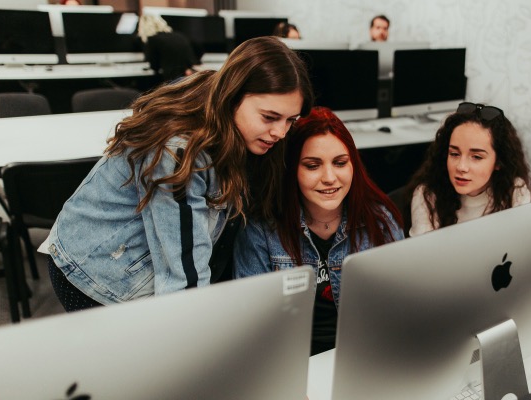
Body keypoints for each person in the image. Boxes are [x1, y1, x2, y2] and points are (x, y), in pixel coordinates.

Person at [43, 37, 314, 312]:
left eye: (290, 120)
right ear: (233, 95)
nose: (280, 133)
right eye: (269, 117)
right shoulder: (180, 152)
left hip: (138, 254)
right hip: (97, 271)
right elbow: (182, 276)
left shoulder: (222, 103)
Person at [234, 106, 404, 355]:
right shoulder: (261, 230)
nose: (329, 177)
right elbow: (252, 326)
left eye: (340, 163)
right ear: (291, 170)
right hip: (291, 361)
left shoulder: (379, 220)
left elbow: (399, 306)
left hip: (366, 354)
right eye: (312, 166)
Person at [405, 101, 531, 340]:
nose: (461, 167)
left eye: (476, 156)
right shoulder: (427, 195)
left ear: (499, 162)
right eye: (454, 154)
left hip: (496, 309)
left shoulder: (515, 192)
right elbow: (422, 274)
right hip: (443, 313)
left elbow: (522, 262)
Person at [137, 14, 200, 82]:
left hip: (171, 78)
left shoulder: (153, 39)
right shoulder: (179, 35)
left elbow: (154, 65)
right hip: (187, 76)